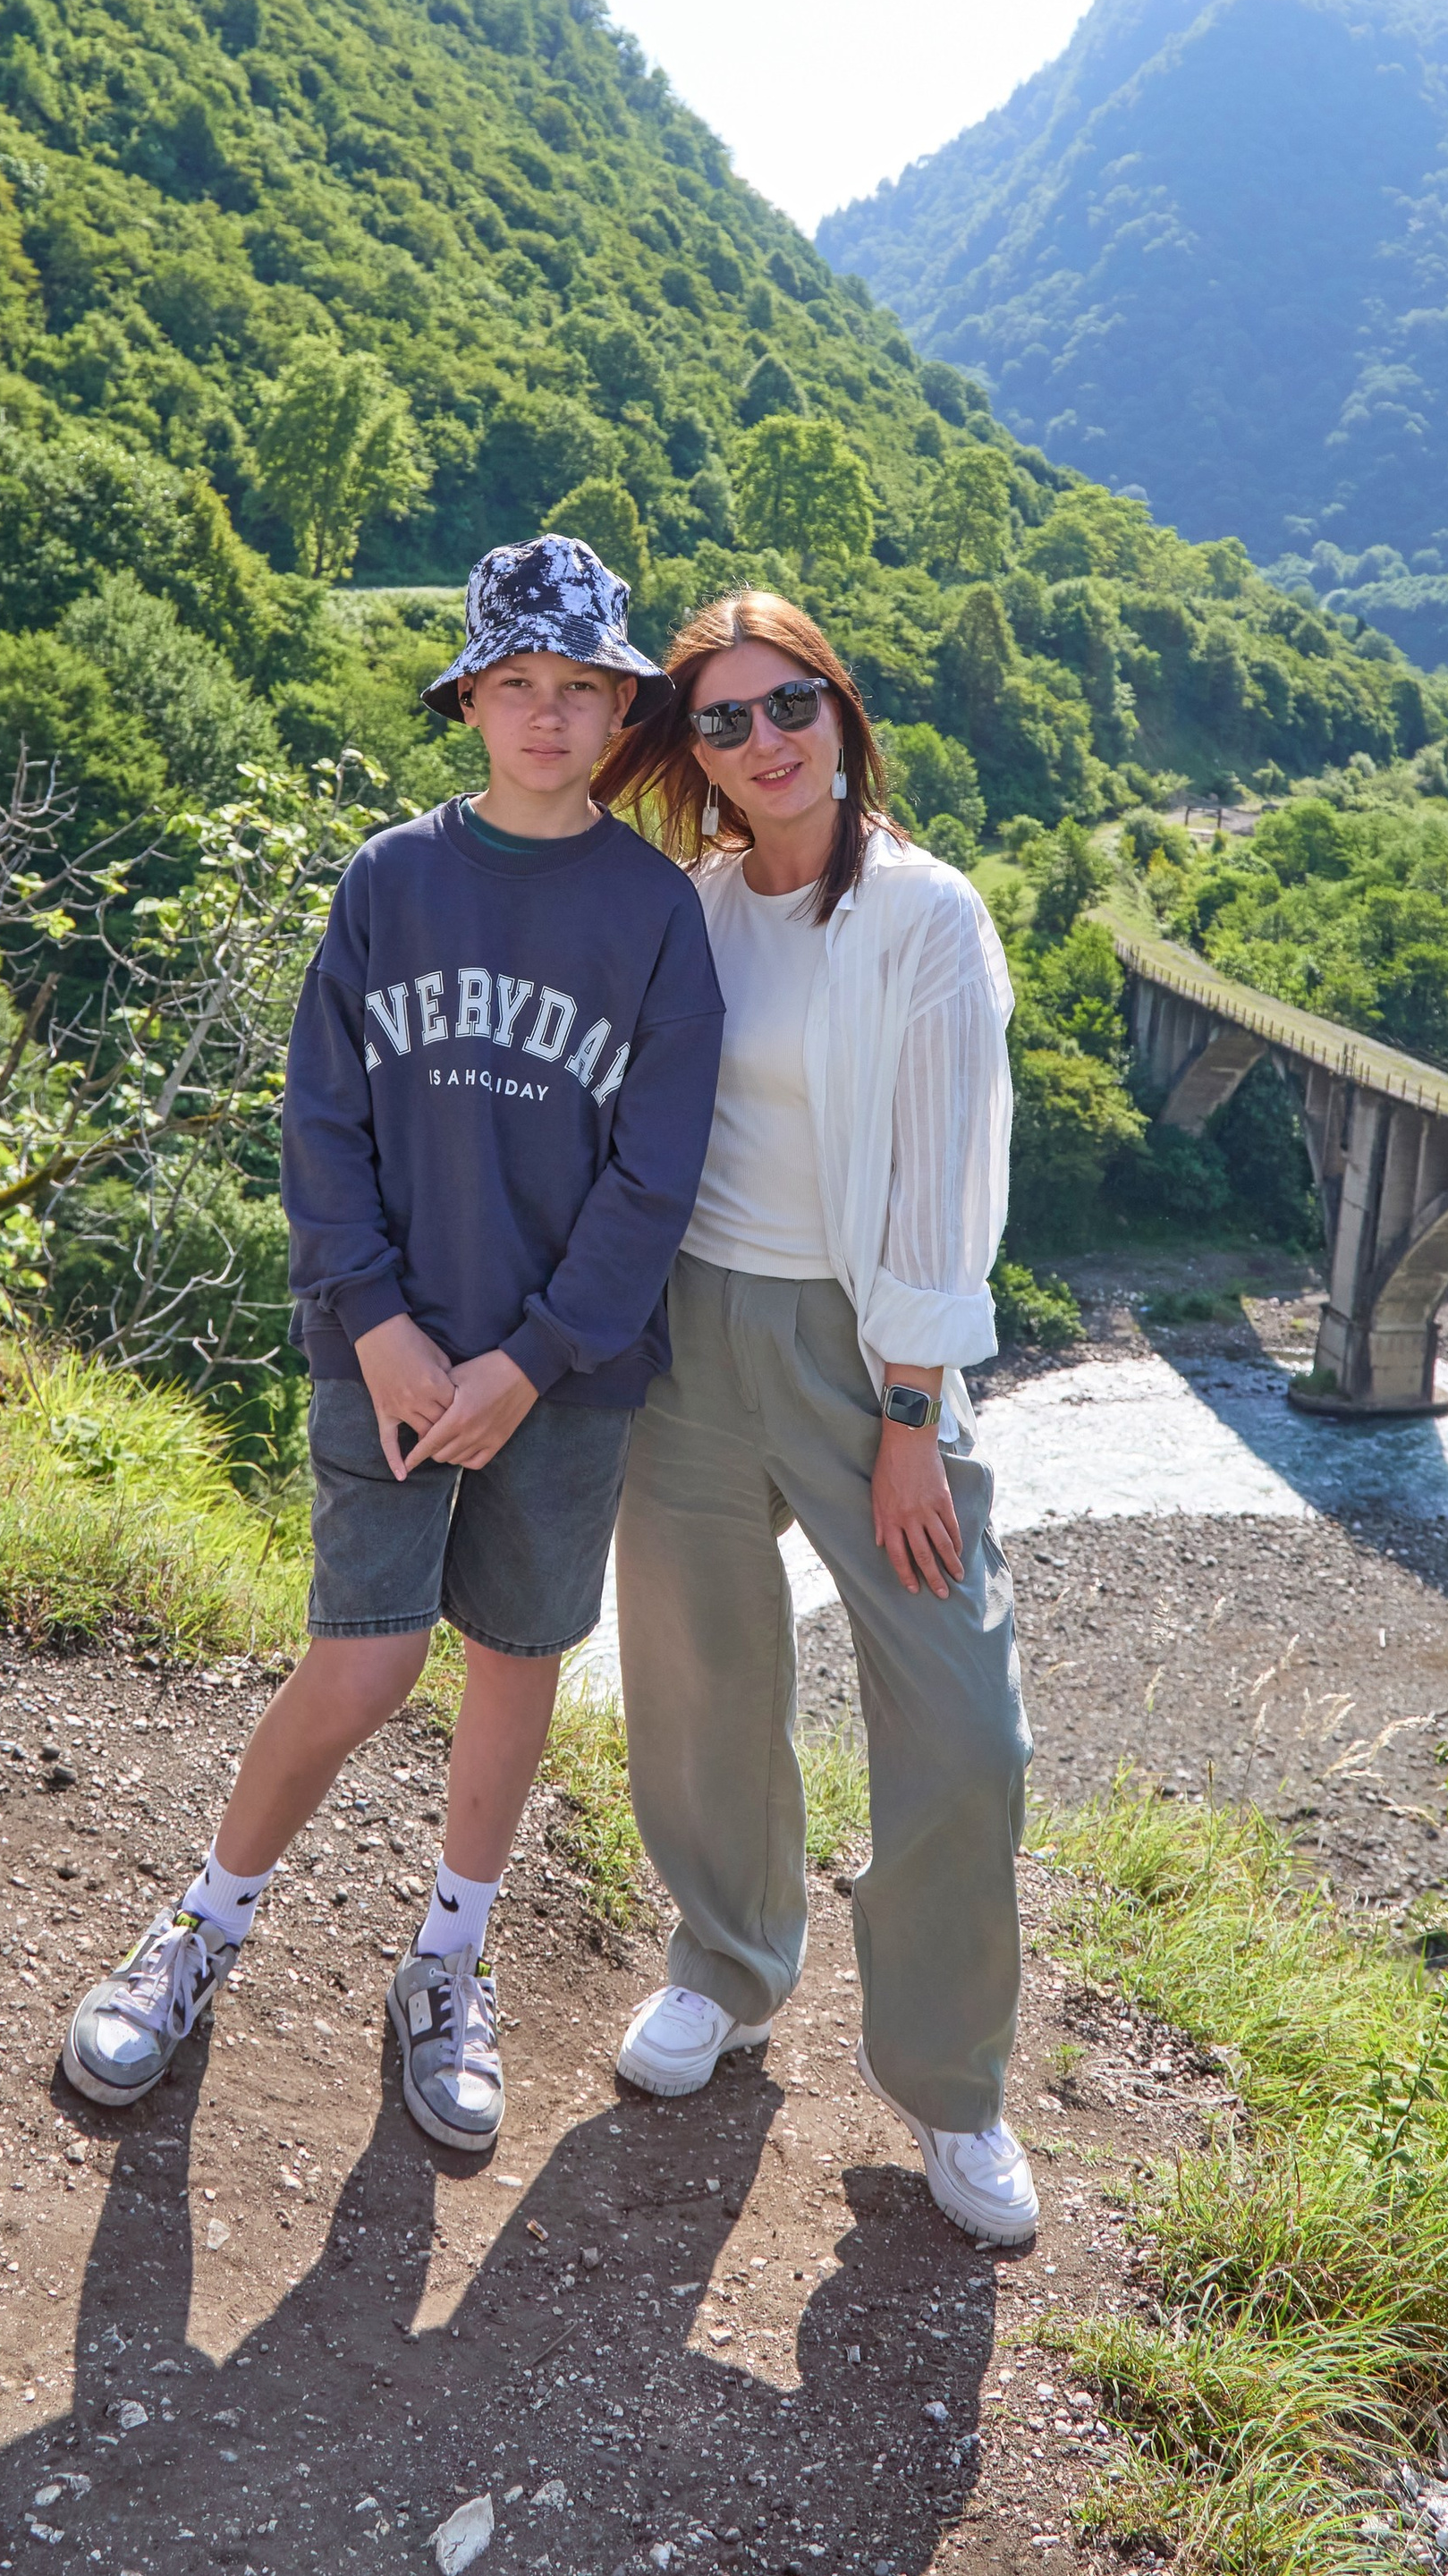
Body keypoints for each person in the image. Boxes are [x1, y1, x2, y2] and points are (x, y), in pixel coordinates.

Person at [62, 536, 724, 2153]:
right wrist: (372, 1320)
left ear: (621, 708)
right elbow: (322, 1117)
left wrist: (533, 1359)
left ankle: (449, 1959)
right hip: (387, 1353)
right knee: (365, 1656)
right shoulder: (391, 880)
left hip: (562, 1377)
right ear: (470, 701)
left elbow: (657, 1176)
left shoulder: (654, 913)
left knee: (515, 1658)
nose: (550, 714)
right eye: (519, 683)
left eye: (582, 687)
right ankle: (203, 1923)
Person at [593, 592, 1037, 2245]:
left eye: (792, 704)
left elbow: (947, 1177)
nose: (765, 738)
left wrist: (911, 1413)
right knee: (701, 1673)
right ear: (694, 751)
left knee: (964, 1725)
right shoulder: (692, 906)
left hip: (872, 1357)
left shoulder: (927, 914)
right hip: (693, 1337)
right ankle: (727, 1964)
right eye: (724, 718)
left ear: (842, 713)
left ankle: (950, 2082)